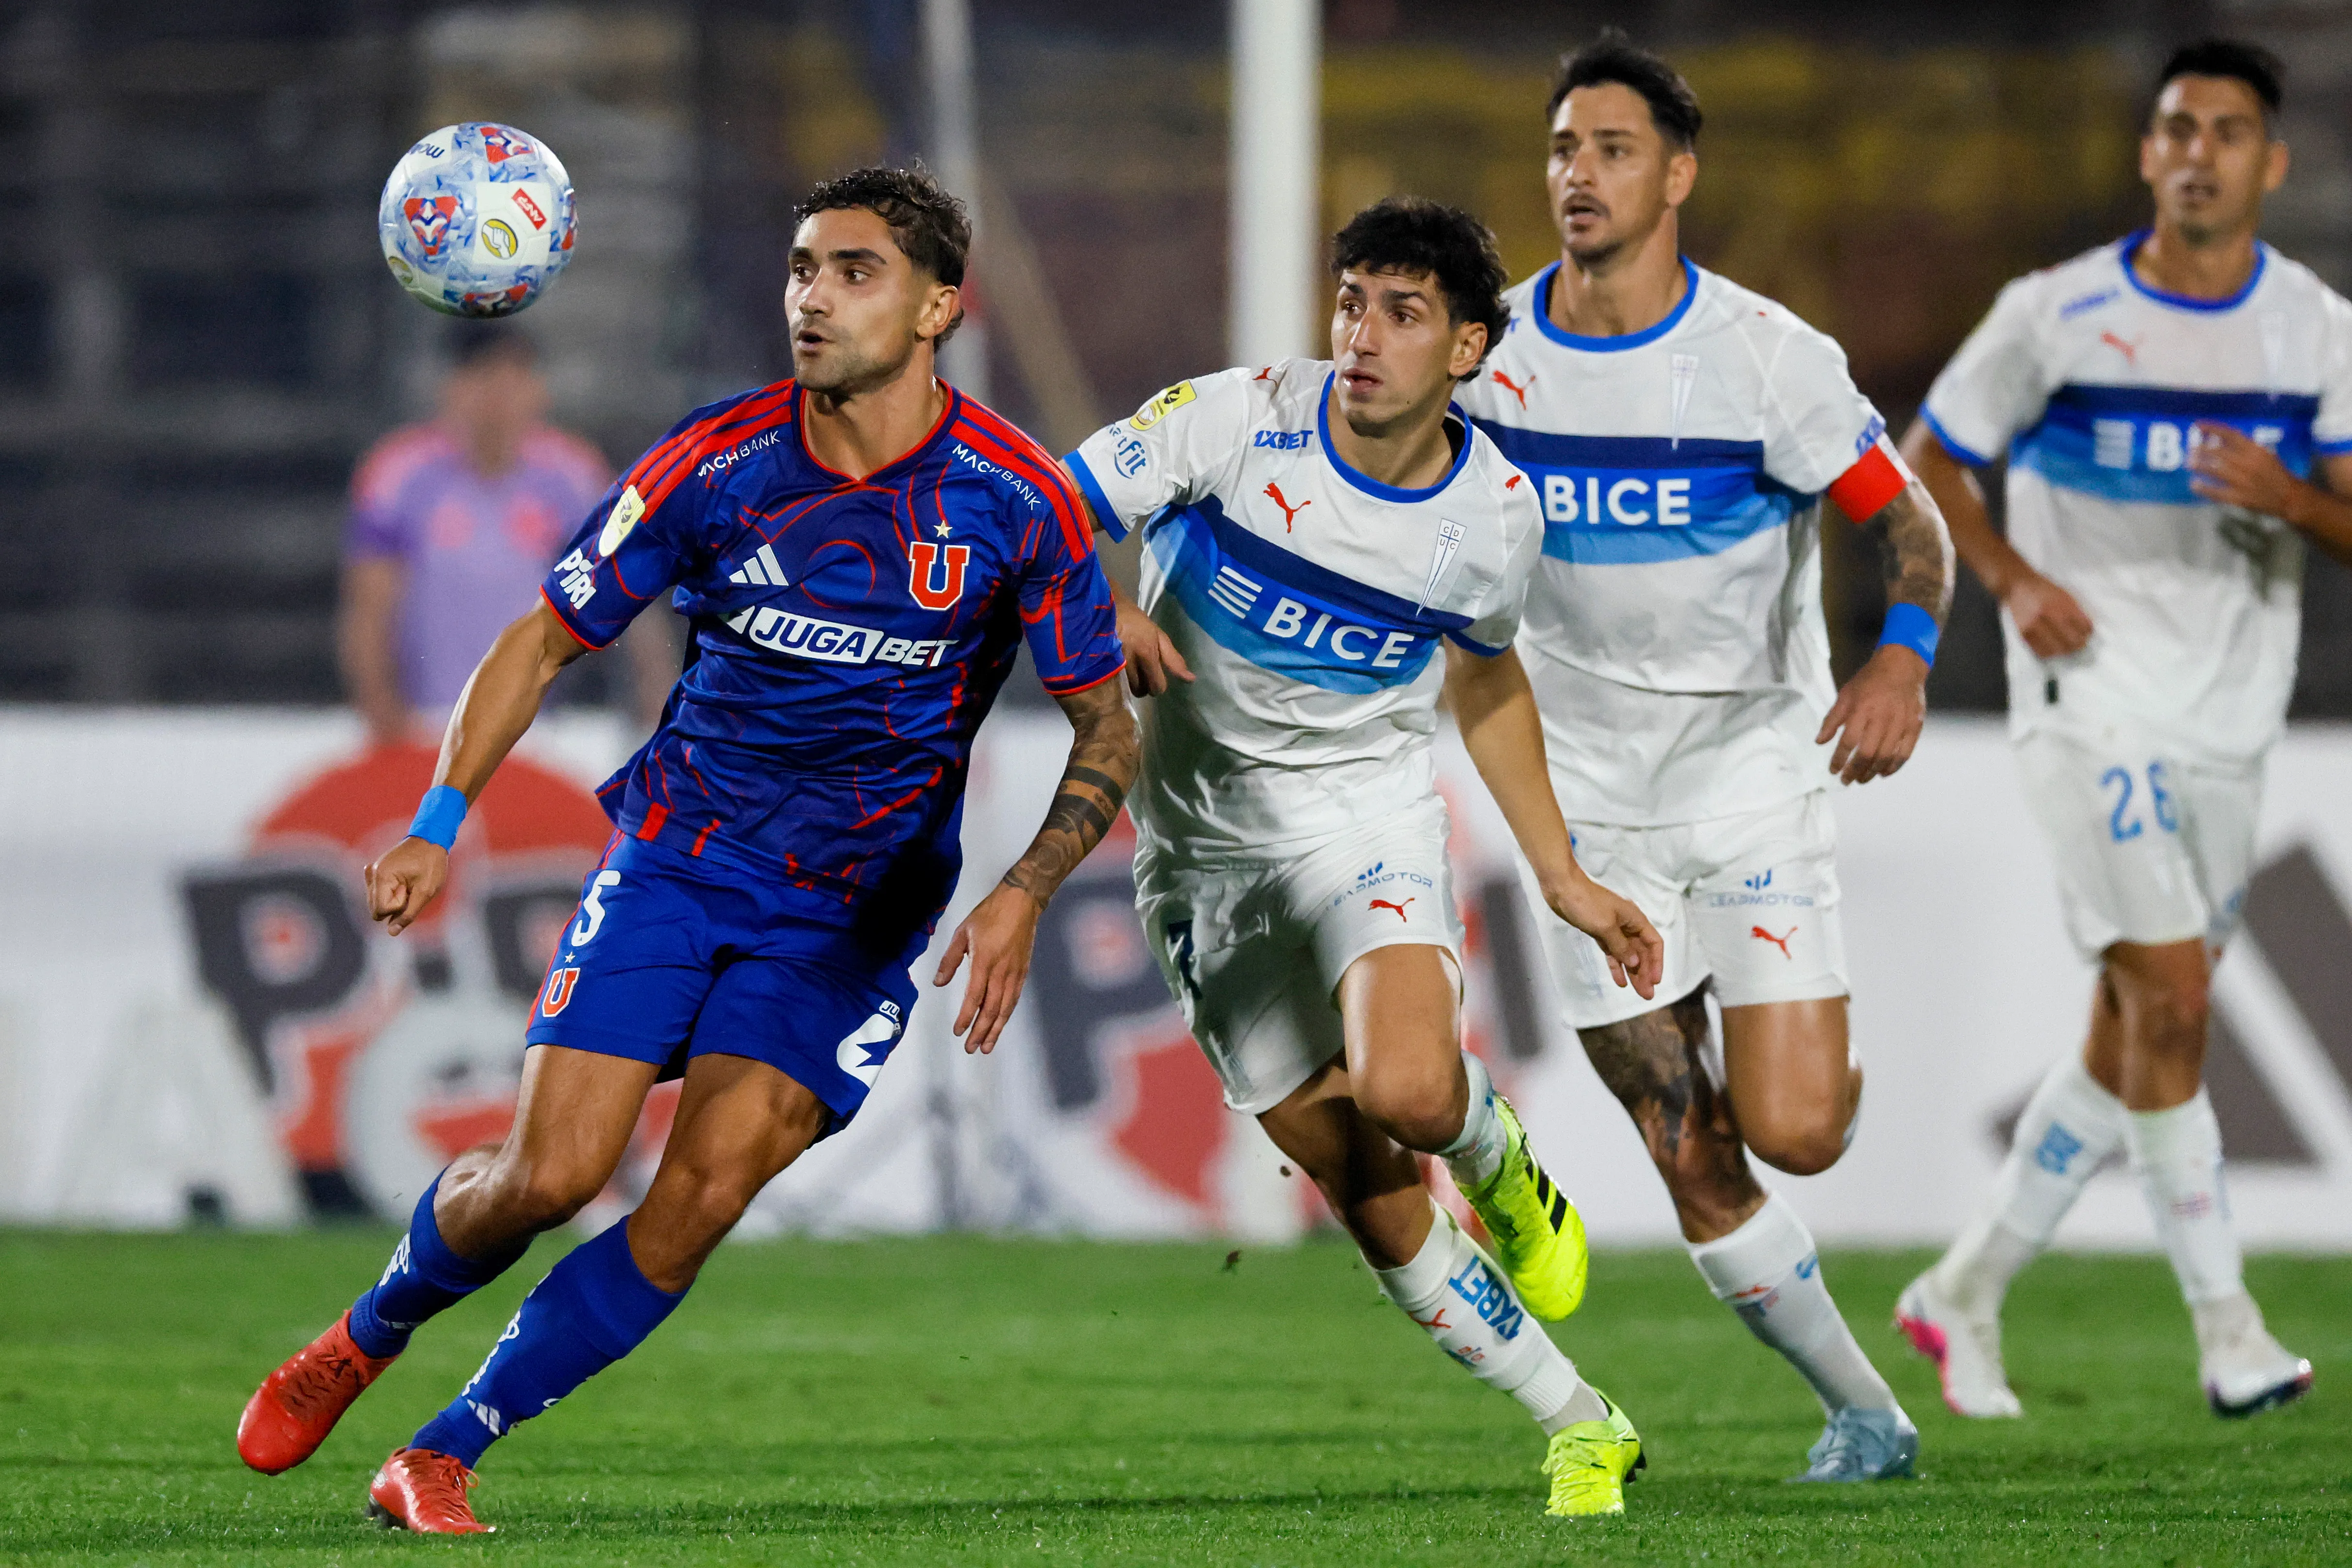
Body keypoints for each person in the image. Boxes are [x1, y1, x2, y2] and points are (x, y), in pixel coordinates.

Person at [235, 166, 1137, 1533]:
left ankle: (444, 1449)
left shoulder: (1017, 501)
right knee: (550, 1175)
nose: (812, 300)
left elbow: (1105, 729)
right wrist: (437, 816)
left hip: (850, 917)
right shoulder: (715, 462)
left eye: (853, 273)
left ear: (942, 305)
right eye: (799, 271)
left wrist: (1024, 890)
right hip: (681, 860)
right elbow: (543, 635)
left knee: (697, 1198)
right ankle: (364, 1329)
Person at [1064, 196, 1667, 1519]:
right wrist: (1100, 599)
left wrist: (1561, 871)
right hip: (1197, 856)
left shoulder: (1495, 511)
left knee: (1405, 1086)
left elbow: (1490, 678)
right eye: (1353, 301)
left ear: (1466, 349)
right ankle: (1579, 1418)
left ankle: (1495, 1152)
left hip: (1363, 819)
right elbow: (1045, 509)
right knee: (1364, 1184)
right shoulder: (1231, 419)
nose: (1364, 335)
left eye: (1404, 312)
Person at [1453, 33, 1956, 1483]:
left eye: (1609, 149)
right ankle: (1864, 1410)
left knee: (1791, 1132)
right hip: (1581, 795)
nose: (1577, 175)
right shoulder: (1489, 357)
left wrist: (1900, 653)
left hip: (1746, 773)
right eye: (1560, 149)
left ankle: (1814, 1066)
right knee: (1685, 1141)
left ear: (1675, 174)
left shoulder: (1764, 359)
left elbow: (1905, 524)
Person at [1895, 38, 2342, 1421]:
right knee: (2179, 996)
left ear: (2270, 162)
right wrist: (2018, 583)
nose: (2198, 150)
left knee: (2133, 1024)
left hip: (2231, 712)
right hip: (2090, 706)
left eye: (2226, 130)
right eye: (2175, 127)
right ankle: (2229, 1326)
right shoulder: (2057, 313)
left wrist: (2293, 500)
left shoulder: (2314, 328)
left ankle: (1960, 1289)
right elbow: (1928, 464)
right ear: (2147, 154)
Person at [341, 323, 675, 740]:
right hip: (424, 727)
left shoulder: (571, 475)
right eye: (482, 376)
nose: (497, 395)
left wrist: (656, 705)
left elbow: (632, 594)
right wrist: (382, 714)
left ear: (538, 389)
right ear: (450, 387)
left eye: (514, 376)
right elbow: (369, 607)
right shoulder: (400, 474)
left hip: (540, 733)